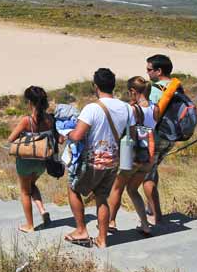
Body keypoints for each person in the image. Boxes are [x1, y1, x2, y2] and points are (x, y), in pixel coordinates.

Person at [65, 68, 132, 248]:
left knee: (73, 189)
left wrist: (68, 133)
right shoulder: (127, 107)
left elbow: (78, 135)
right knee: (102, 197)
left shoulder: (92, 108)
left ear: (95, 86)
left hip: (93, 160)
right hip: (114, 161)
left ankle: (81, 230)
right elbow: (130, 134)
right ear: (113, 85)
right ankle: (102, 239)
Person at [108, 76, 156, 237]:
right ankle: (145, 224)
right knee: (133, 189)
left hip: (133, 155)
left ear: (133, 92)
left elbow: (124, 128)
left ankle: (111, 221)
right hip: (148, 156)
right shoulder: (155, 108)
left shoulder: (133, 109)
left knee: (117, 188)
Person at [7, 86, 53, 233]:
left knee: (25, 191)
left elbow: (11, 138)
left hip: (26, 161)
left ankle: (29, 225)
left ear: (29, 102)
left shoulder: (27, 120)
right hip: (42, 161)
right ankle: (42, 210)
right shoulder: (50, 119)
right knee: (31, 185)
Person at [144, 54, 174, 225]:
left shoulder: (156, 89)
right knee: (153, 170)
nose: (147, 72)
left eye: (149, 69)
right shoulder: (176, 86)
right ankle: (151, 207)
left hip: (156, 136)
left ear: (158, 71)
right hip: (170, 136)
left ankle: (157, 215)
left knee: (146, 175)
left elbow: (150, 115)